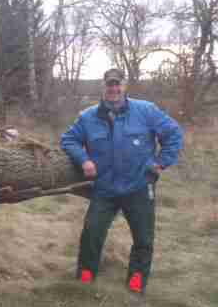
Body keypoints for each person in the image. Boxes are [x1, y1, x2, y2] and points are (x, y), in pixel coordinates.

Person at [60, 68, 183, 294]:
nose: (113, 89)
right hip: (105, 188)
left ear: (124, 86)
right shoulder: (88, 117)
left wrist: (161, 162)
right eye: (109, 85)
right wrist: (84, 160)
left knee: (143, 237)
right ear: (103, 87)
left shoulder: (146, 111)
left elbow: (174, 134)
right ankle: (86, 275)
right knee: (91, 232)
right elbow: (69, 140)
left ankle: (137, 280)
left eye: (117, 85)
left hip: (139, 185)